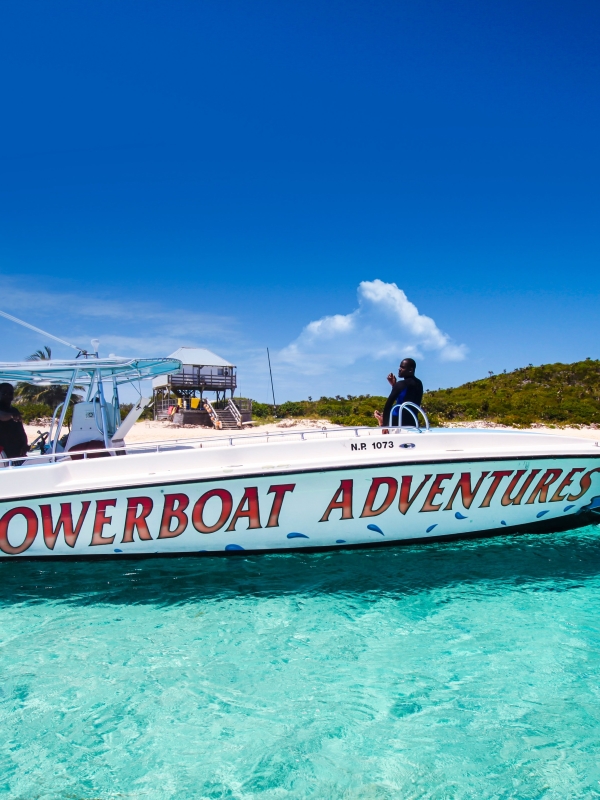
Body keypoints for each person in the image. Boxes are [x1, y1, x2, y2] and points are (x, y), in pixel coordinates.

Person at [374, 358, 424, 427]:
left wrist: (385, 426)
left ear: (410, 370)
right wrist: (394, 385)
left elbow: (388, 405)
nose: (399, 369)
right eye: (400, 367)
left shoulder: (401, 384)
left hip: (397, 421)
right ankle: (381, 420)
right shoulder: (419, 383)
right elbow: (406, 399)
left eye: (402, 367)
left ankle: (381, 421)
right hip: (412, 422)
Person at [0, 383, 28, 459]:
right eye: (4, 393)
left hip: (17, 451)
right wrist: (11, 416)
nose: (8, 395)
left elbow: (21, 430)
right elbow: (1, 416)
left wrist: (25, 444)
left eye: (10, 393)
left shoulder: (14, 410)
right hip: (3, 452)